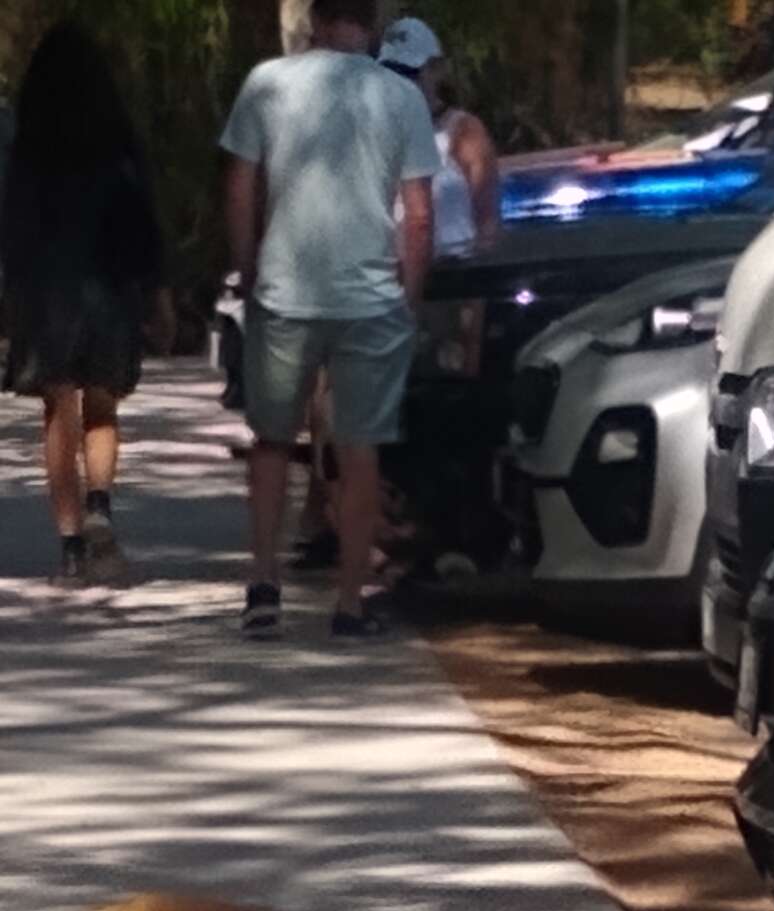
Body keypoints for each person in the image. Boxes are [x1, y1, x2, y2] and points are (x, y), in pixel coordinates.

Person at [220, 0, 439, 639]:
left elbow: (240, 183)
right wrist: (411, 298)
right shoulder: (401, 98)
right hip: (370, 300)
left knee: (270, 441)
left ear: (314, 22)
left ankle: (263, 585)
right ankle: (349, 601)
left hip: (285, 292)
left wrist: (246, 265)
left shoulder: (268, 83)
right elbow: (419, 214)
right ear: (370, 27)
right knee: (359, 450)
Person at [0, 25, 173, 585]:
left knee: (58, 413)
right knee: (102, 406)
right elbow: (145, 220)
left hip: (47, 292)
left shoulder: (23, 145)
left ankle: (71, 547)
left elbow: (11, 223)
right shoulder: (119, 142)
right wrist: (159, 294)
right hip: (108, 287)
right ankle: (100, 505)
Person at [378, 17, 499, 256]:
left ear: (437, 69)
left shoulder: (464, 132)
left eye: (409, 72)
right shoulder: (375, 136)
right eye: (390, 73)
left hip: (456, 275)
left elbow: (488, 220)